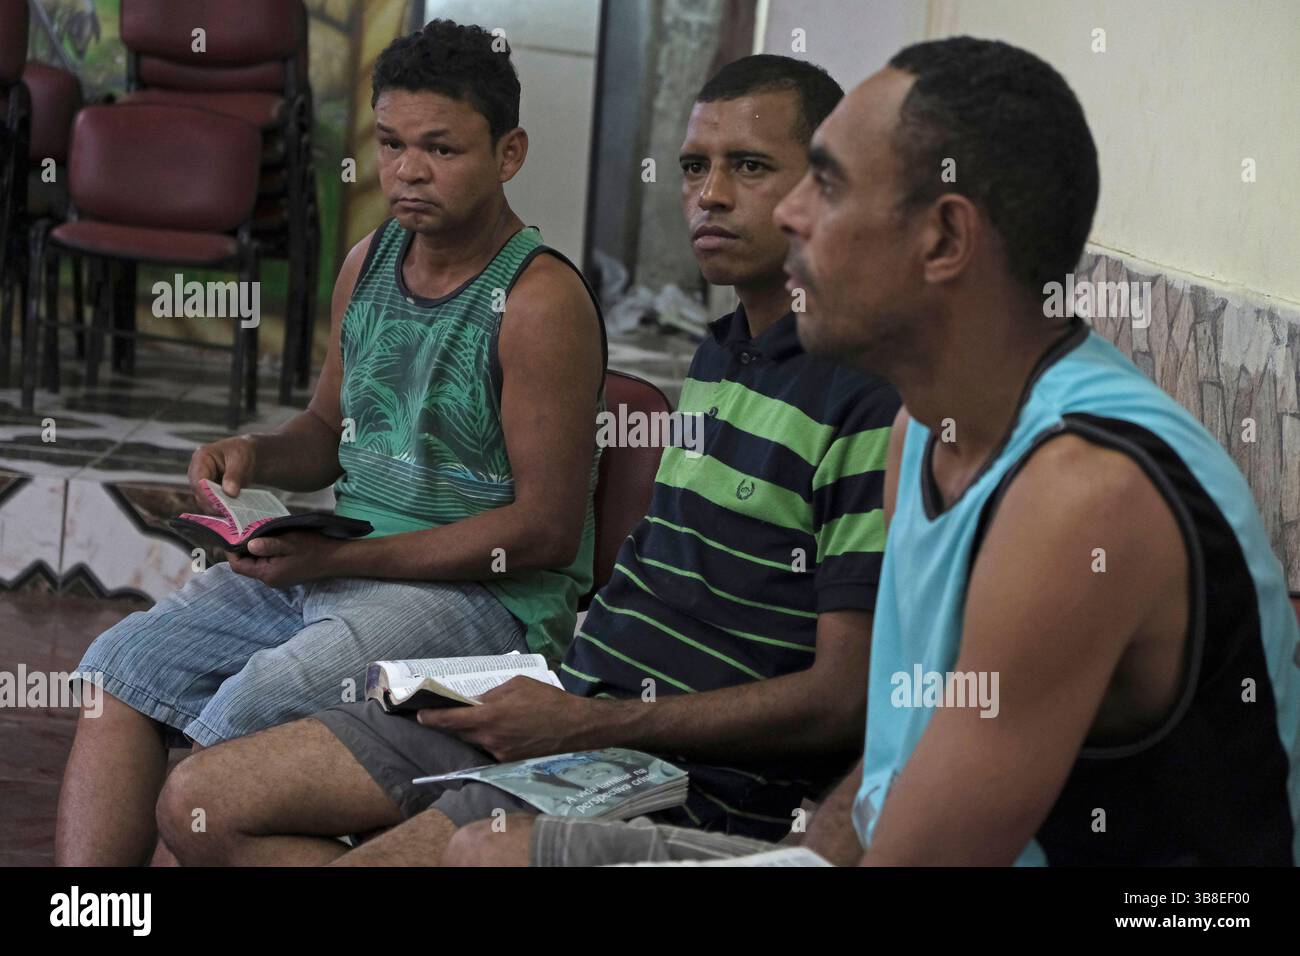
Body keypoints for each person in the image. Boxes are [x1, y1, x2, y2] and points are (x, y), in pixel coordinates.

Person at [443, 36, 1300, 867]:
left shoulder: (1082, 495)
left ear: (944, 240)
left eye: (826, 184)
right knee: (479, 851)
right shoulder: (920, 426)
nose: (786, 213)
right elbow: (895, 752)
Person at [154, 54, 902, 866]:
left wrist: (599, 723)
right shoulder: (722, 356)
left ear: (825, 186)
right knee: (201, 801)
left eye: (749, 167)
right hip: (568, 705)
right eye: (695, 167)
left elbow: (840, 700)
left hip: (673, 765)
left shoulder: (866, 397)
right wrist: (545, 698)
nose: (710, 194)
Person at [56, 19, 606, 866]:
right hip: (343, 569)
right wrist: (252, 456)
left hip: (485, 608)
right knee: (118, 666)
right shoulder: (369, 261)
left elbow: (543, 533)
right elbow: (323, 433)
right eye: (390, 144)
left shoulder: (539, 303)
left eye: (441, 148)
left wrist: (336, 563)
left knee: (250, 704)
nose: (408, 171)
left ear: (509, 154)